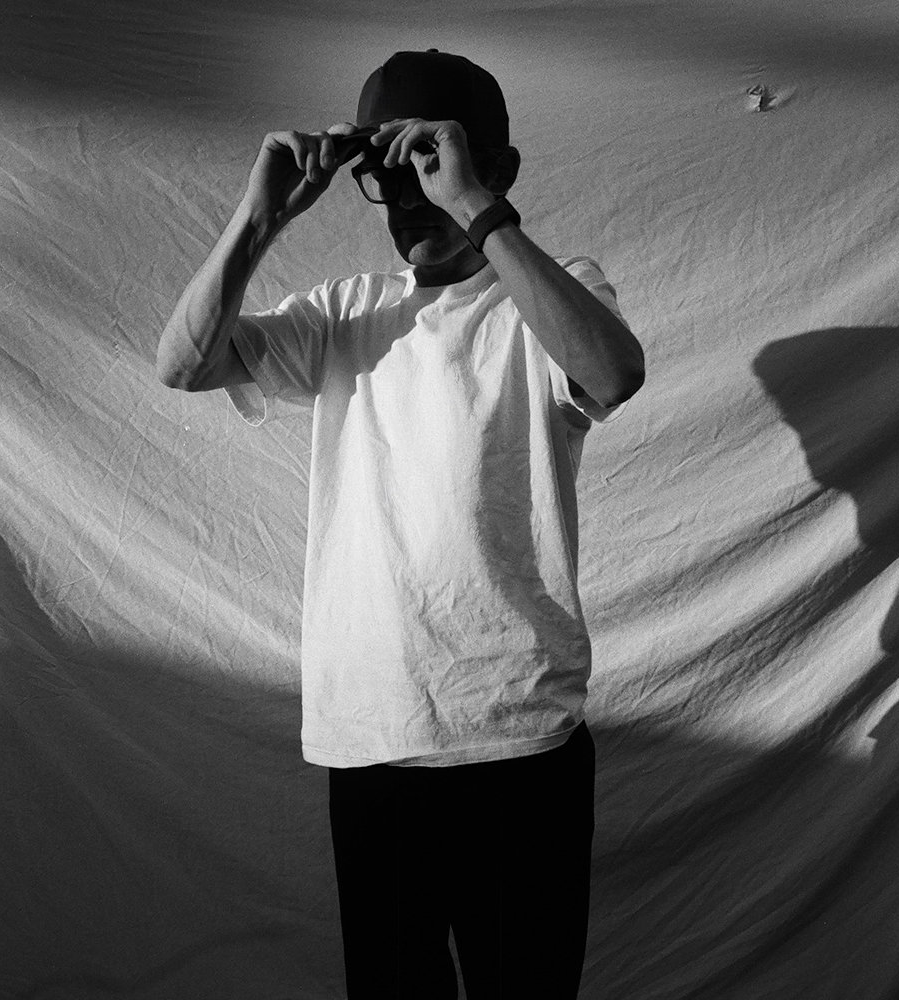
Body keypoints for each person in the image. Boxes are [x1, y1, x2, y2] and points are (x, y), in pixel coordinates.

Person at [157, 48, 645, 1000]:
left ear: (496, 169)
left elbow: (613, 372)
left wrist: (476, 207)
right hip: (372, 734)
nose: (409, 201)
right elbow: (183, 364)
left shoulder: (545, 294)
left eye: (430, 166)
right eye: (388, 177)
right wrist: (261, 215)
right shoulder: (349, 311)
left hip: (518, 736)